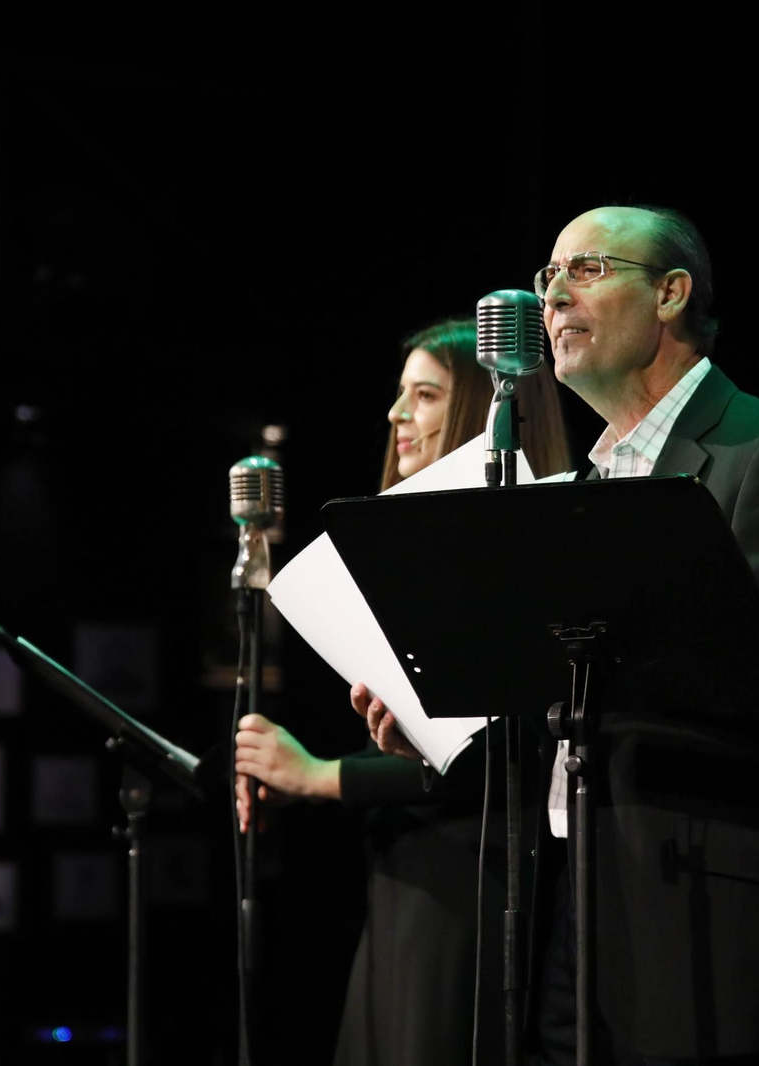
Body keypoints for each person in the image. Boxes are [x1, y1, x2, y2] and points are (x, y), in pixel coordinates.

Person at [358, 205, 759, 1063]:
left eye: (586, 269)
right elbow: (571, 711)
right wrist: (437, 731)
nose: (554, 294)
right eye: (547, 277)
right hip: (581, 898)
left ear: (671, 294)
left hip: (709, 900)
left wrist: (650, 614)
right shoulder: (586, 479)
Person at [234, 316, 569, 1066]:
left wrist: (321, 776)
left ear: (486, 409)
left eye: (423, 396)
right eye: (400, 395)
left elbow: (501, 756)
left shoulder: (515, 549)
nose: (396, 416)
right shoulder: (411, 556)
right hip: (401, 877)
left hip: (469, 888)